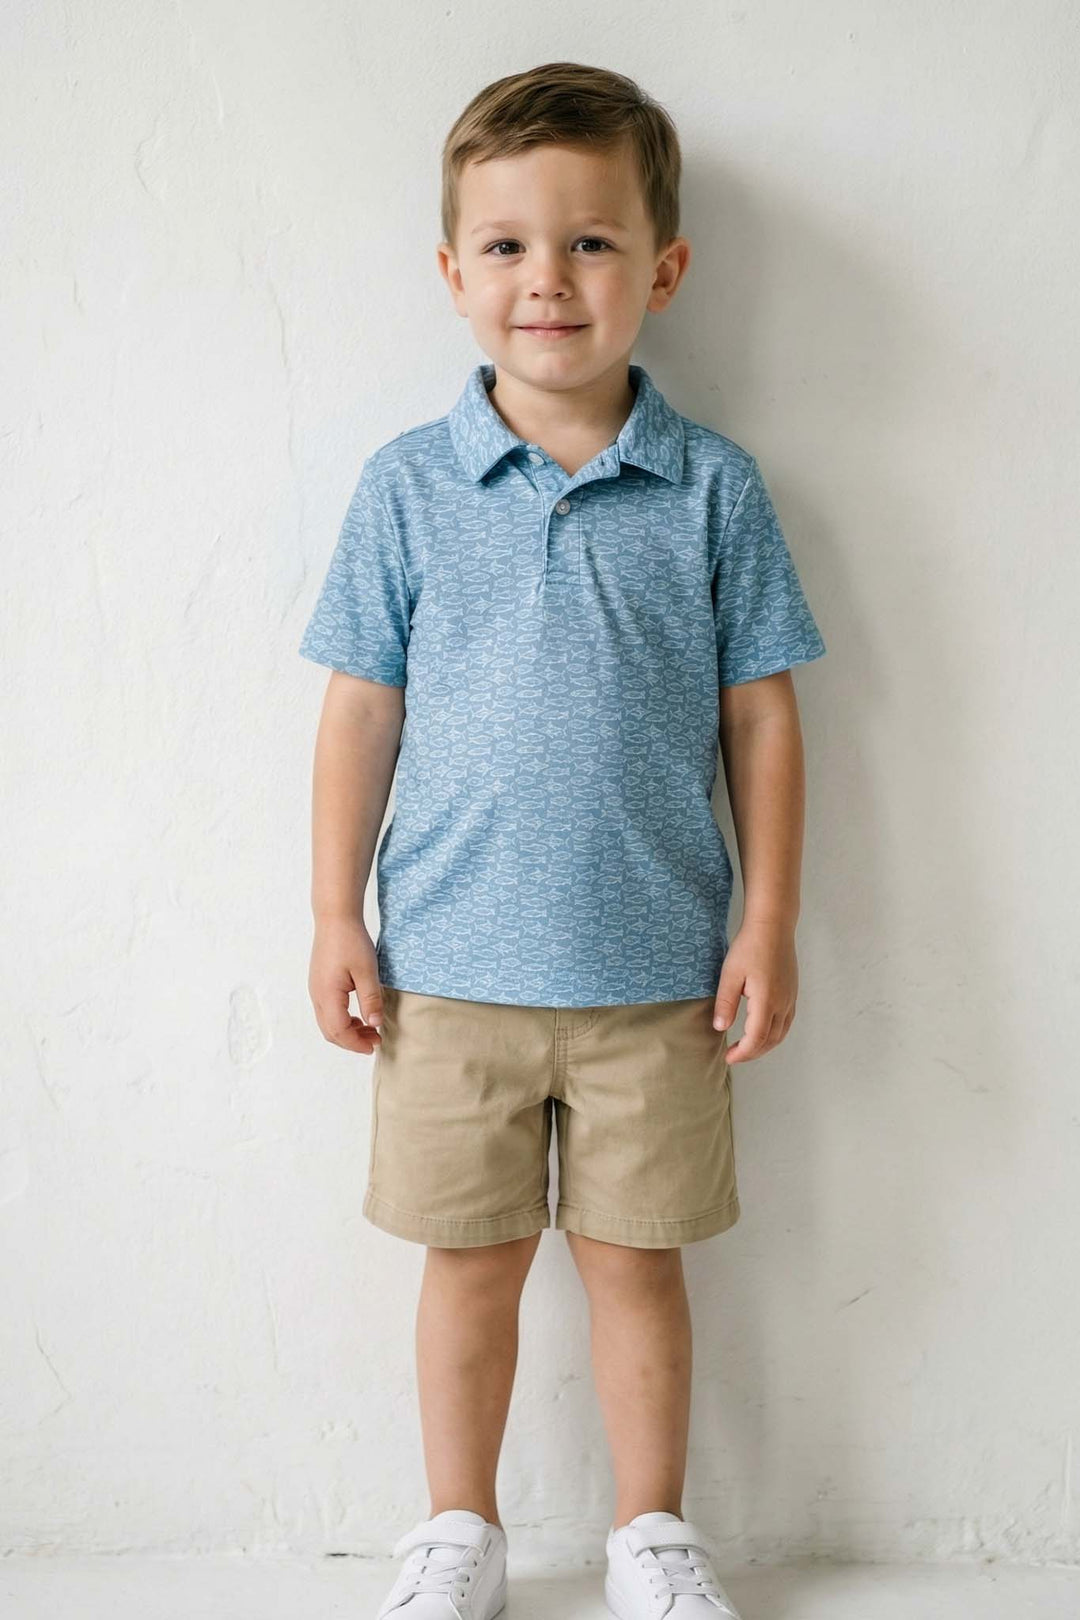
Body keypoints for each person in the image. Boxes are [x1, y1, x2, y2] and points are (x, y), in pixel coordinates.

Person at [299, 61, 826, 1620]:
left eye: (592, 243)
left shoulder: (716, 489)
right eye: (511, 246)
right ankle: (456, 1529)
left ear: (662, 268)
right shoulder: (406, 489)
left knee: (636, 1268)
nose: (550, 280)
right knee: (464, 1270)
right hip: (444, 976)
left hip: (656, 977)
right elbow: (358, 717)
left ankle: (650, 1532)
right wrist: (337, 915)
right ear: (453, 273)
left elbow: (764, 721)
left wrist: (769, 917)